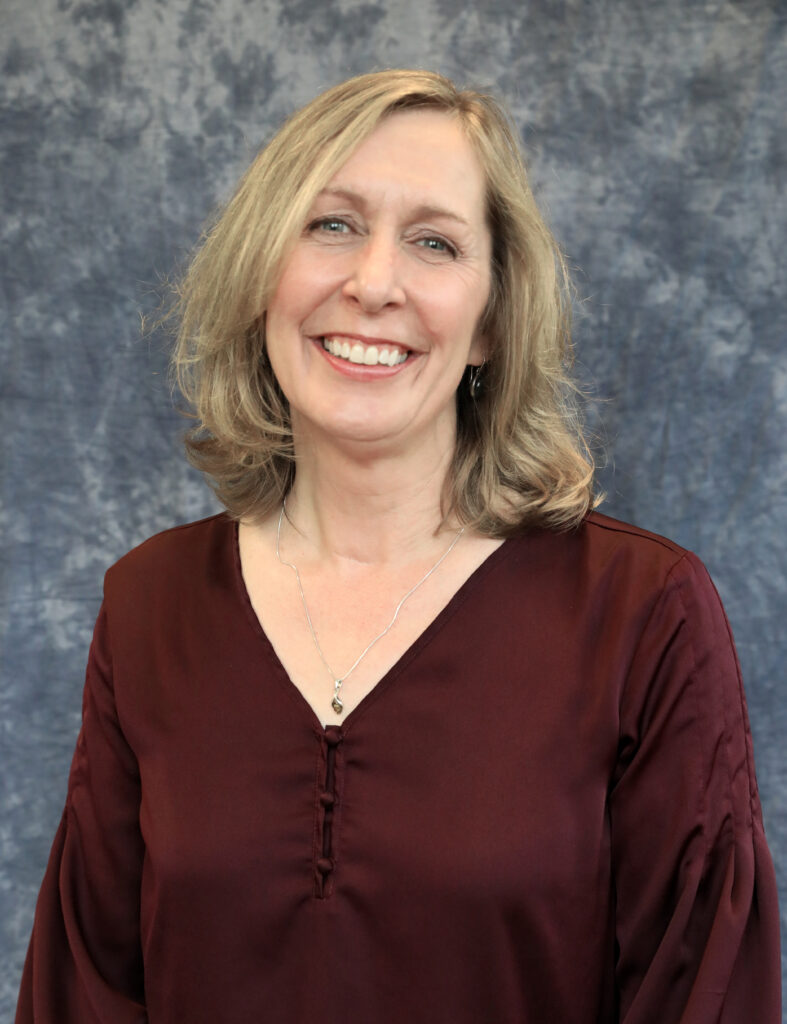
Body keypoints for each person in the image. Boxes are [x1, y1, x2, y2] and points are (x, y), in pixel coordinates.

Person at [16, 69, 780, 1023]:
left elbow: (703, 995)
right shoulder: (150, 604)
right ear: (263, 275)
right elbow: (83, 992)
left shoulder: (639, 612)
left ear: (493, 322)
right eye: (331, 225)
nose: (373, 283)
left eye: (434, 242)